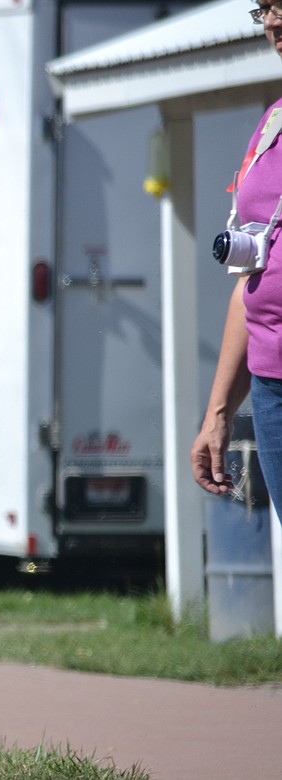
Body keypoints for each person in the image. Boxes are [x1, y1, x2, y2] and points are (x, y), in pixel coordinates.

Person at [192, 1, 282, 503]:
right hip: (271, 385)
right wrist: (218, 413)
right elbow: (249, 277)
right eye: (263, 8)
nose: (272, 21)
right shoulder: (272, 124)